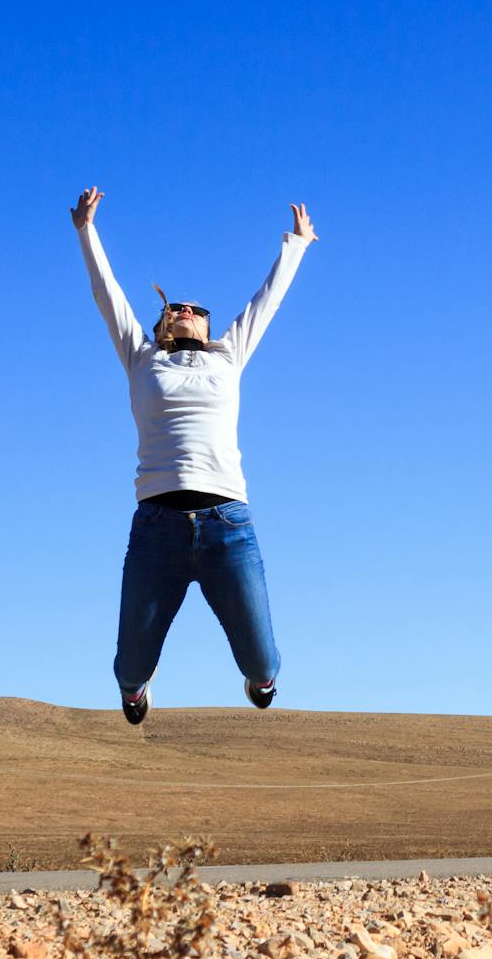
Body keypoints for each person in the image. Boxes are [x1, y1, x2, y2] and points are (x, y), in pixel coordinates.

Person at [69, 187, 317, 723]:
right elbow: (105, 291)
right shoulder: (141, 358)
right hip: (157, 528)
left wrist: (296, 245)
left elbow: (265, 301)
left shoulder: (228, 355)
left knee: (263, 659)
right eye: (175, 309)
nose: (185, 311)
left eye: (196, 310)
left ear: (207, 327)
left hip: (228, 525)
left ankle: (260, 681)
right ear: (161, 327)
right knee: (128, 669)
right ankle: (137, 691)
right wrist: (86, 230)